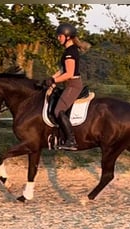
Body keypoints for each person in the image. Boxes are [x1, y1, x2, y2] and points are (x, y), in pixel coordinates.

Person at [44, 23, 91, 151]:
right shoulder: (68, 51)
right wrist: (51, 79)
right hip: (69, 84)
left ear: (68, 37)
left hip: (73, 85)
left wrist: (54, 80)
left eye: (60, 36)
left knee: (58, 111)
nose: (58, 38)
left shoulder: (70, 52)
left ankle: (71, 141)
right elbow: (62, 70)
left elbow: (69, 74)